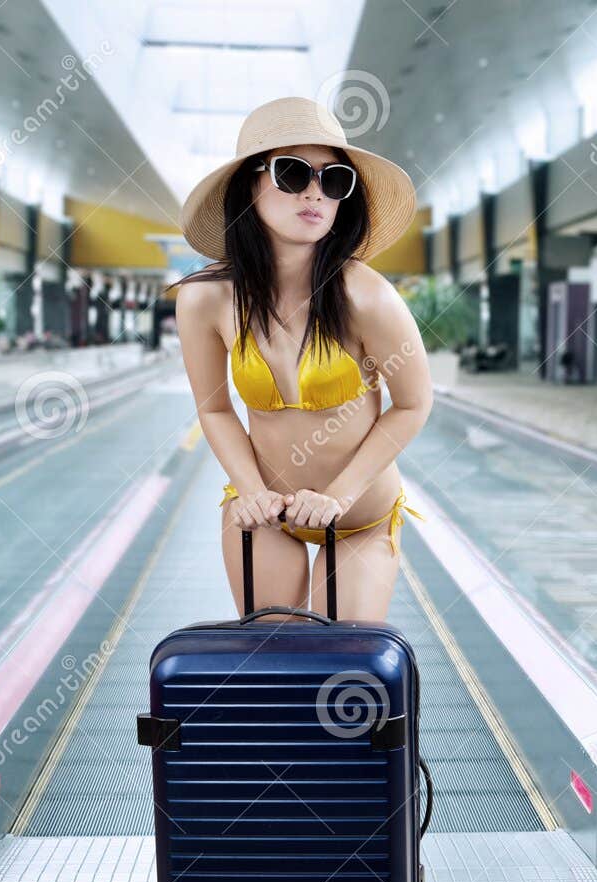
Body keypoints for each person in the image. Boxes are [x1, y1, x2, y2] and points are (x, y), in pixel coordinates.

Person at [171, 97, 432, 620]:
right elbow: (216, 410)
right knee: (275, 675)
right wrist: (250, 492)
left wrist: (338, 495)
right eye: (293, 173)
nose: (315, 191)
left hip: (359, 515)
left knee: (342, 672)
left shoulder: (368, 297)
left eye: (334, 181)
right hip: (265, 513)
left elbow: (412, 404)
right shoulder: (205, 300)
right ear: (250, 184)